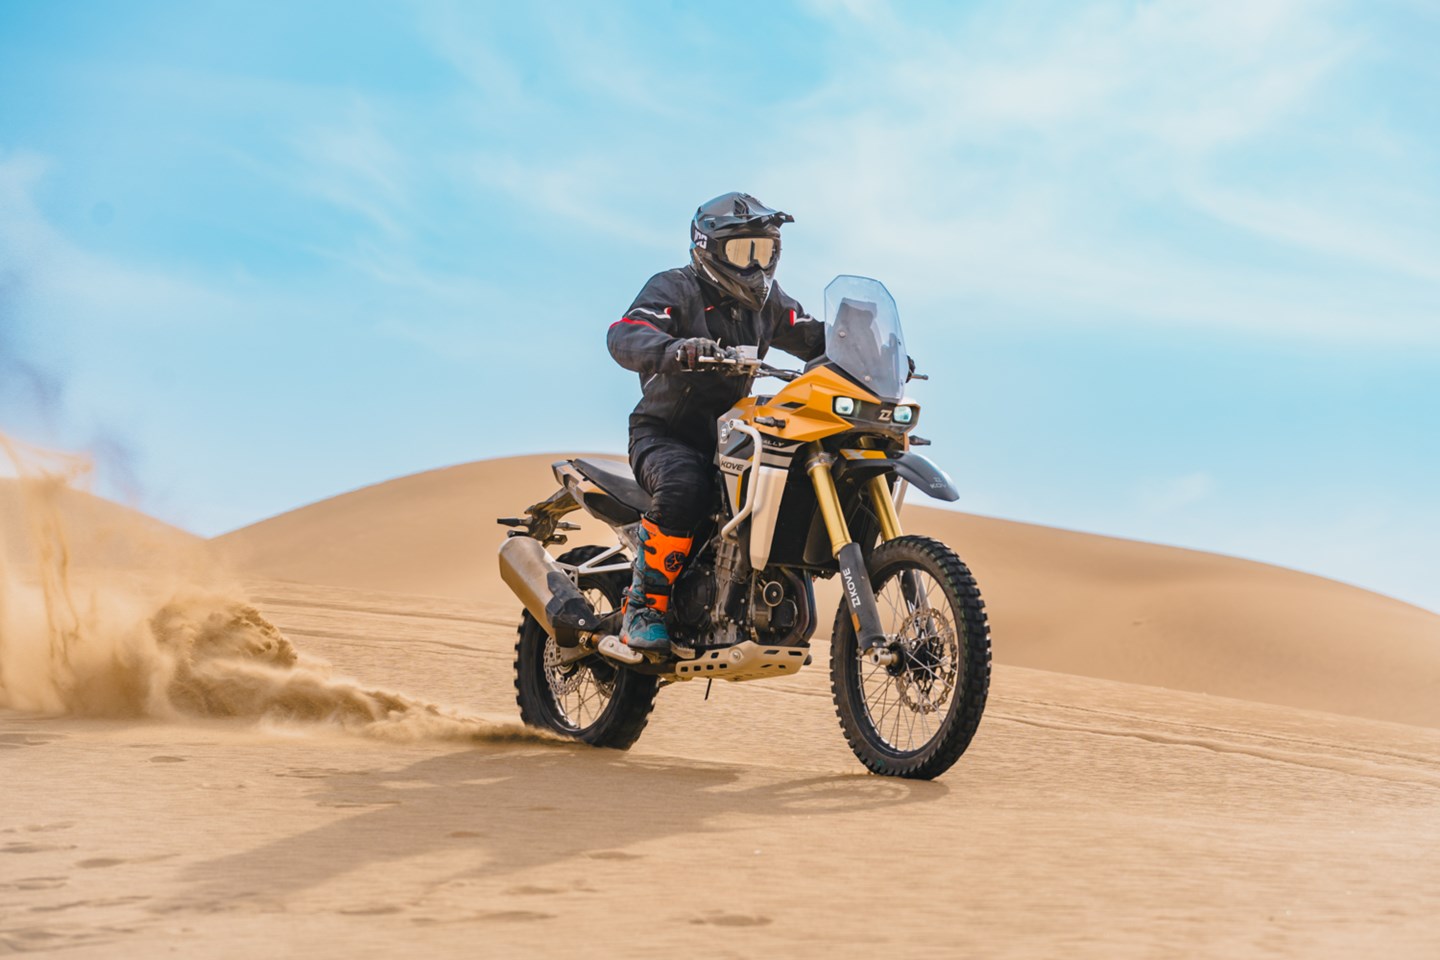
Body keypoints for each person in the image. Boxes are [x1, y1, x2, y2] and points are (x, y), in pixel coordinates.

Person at [606, 192, 827, 653]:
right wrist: (675, 349)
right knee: (685, 487)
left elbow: (814, 335)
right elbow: (626, 333)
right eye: (743, 251)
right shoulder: (675, 288)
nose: (756, 266)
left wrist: (870, 349)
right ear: (708, 248)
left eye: (764, 251)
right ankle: (643, 607)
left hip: (732, 439)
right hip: (665, 435)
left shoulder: (769, 305)